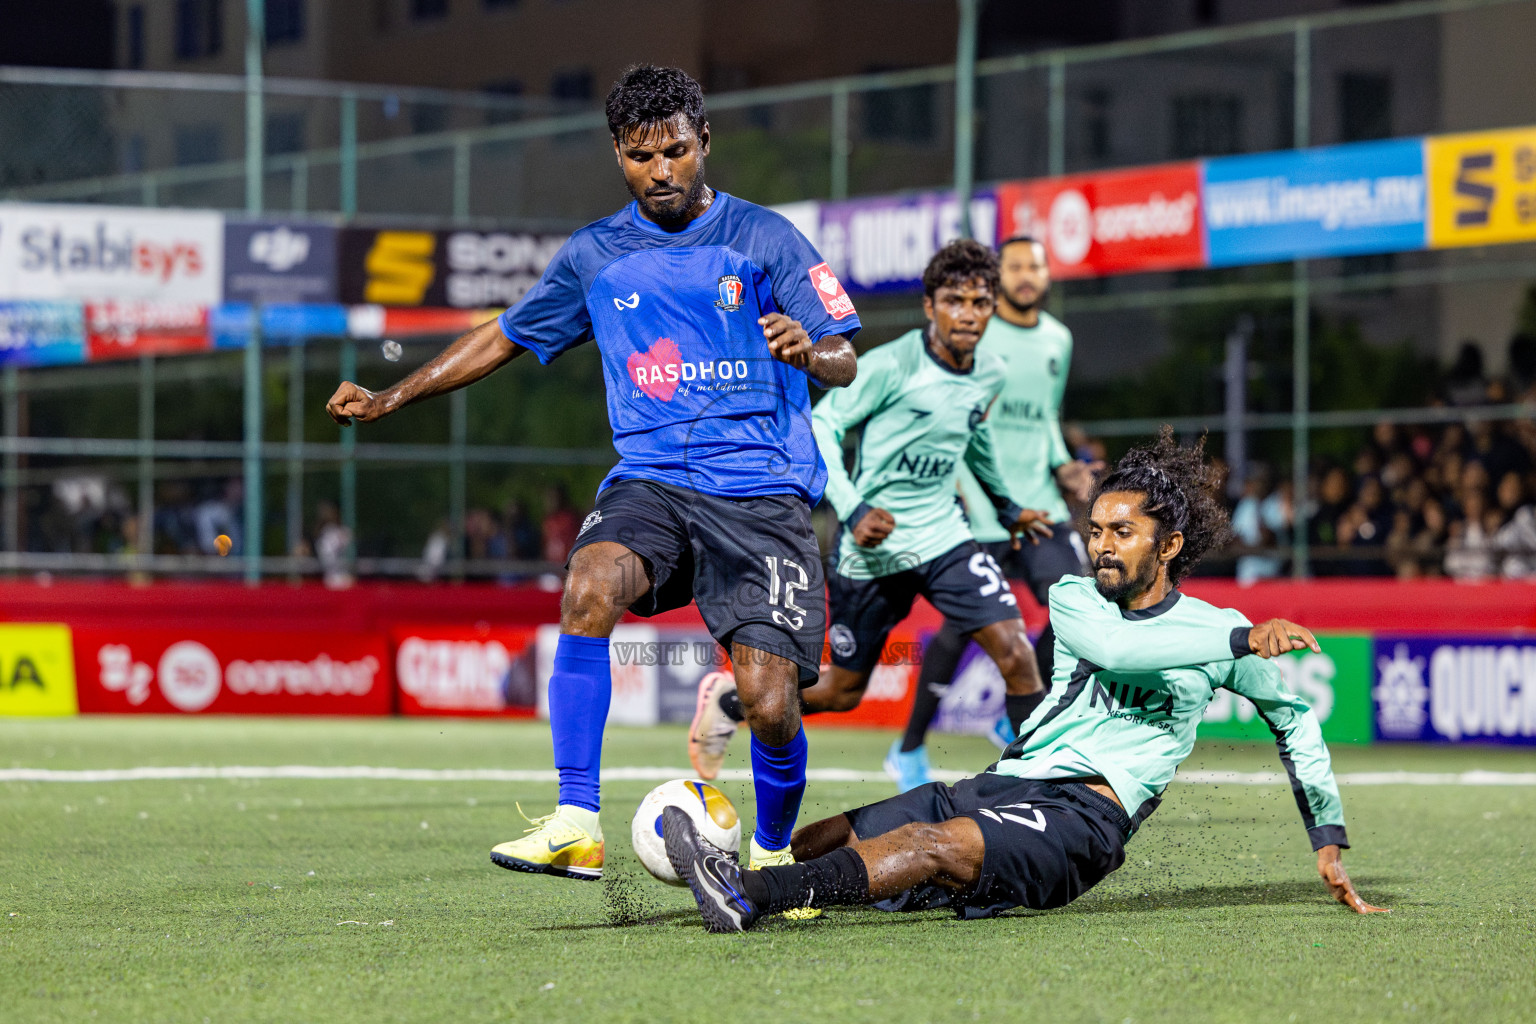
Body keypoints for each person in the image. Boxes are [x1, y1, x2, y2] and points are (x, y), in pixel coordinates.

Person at [325, 65, 860, 882]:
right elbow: (501, 335)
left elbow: (844, 355)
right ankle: (577, 819)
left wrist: (810, 351)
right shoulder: (595, 256)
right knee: (588, 585)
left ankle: (776, 857)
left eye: (677, 151)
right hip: (650, 481)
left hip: (761, 493)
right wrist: (392, 396)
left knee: (769, 704)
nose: (663, 170)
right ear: (619, 153)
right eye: (643, 155)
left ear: (703, 142)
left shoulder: (768, 239)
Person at [663, 428, 1387, 931]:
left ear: (1168, 545)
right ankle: (724, 868)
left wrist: (1327, 835)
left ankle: (748, 894)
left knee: (927, 846)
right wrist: (1241, 635)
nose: (1100, 545)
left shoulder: (1214, 630)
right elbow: (1121, 648)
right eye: (1096, 529)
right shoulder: (1080, 602)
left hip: (1083, 821)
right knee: (833, 837)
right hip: (1002, 784)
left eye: (1121, 533)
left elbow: (1291, 717)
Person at [686, 241, 1052, 791]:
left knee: (1018, 655)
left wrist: (1005, 507)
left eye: (980, 302)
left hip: (945, 538)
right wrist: (853, 508)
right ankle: (734, 702)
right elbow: (822, 429)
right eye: (955, 301)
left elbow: (971, 438)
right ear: (930, 307)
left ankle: (1037, 796)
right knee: (840, 692)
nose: (969, 315)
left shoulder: (991, 374)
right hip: (871, 550)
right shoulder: (891, 366)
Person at [888, 236, 1100, 790]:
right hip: (981, 510)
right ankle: (907, 749)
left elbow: (1048, 419)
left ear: (1048, 275)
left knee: (1080, 604)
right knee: (961, 631)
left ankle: (1015, 707)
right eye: (1016, 266)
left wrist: (1065, 467)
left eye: (1036, 265)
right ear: (997, 277)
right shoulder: (977, 333)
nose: (1027, 275)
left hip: (1041, 509)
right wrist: (954, 485)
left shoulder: (1060, 339)